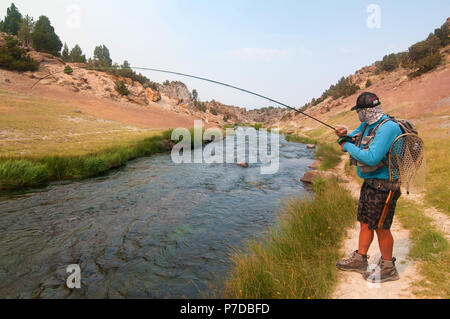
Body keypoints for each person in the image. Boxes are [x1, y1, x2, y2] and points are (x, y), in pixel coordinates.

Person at [335, 92, 403, 283]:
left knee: (381, 227)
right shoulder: (367, 125)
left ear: (366, 110)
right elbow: (351, 137)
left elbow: (372, 157)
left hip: (385, 187)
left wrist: (347, 146)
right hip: (370, 184)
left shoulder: (388, 128)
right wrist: (344, 136)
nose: (358, 114)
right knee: (365, 222)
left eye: (359, 111)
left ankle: (389, 267)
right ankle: (359, 259)